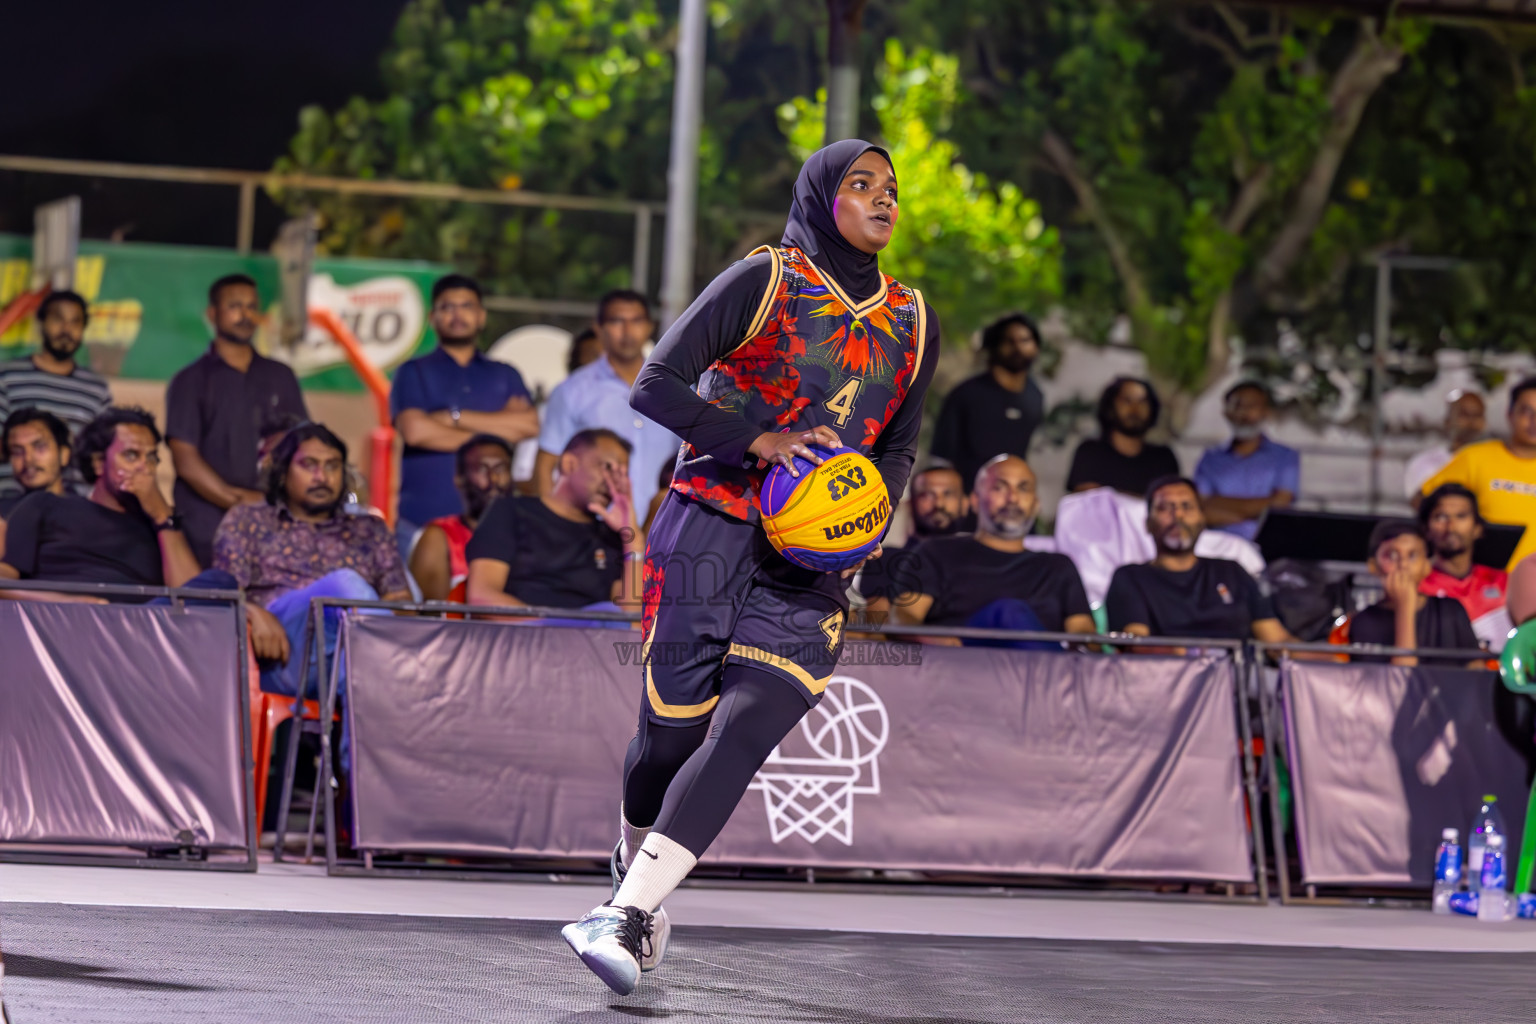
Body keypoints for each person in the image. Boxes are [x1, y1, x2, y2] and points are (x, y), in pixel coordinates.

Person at [560, 140, 938, 994]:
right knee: (670, 739)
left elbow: (901, 442)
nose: (884, 200)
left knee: (752, 721)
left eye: (892, 190)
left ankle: (624, 911)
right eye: (862, 185)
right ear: (821, 196)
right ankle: (633, 857)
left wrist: (873, 509)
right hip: (710, 527)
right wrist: (759, 440)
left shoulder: (914, 317)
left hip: (814, 563)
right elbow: (655, 384)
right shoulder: (767, 278)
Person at [213, 423, 409, 760]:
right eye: (309, 465)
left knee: (362, 655)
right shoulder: (248, 521)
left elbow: (400, 601)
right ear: (282, 473)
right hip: (278, 654)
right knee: (343, 586)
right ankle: (394, 713)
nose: (323, 476)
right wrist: (252, 611)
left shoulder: (369, 529)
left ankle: (361, 777)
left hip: (346, 657)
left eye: (332, 466)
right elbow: (220, 593)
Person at [165, 274, 309, 566]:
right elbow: (185, 460)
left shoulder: (280, 376)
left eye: (251, 306)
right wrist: (237, 500)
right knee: (209, 606)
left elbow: (305, 442)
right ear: (212, 314)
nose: (245, 315)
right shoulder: (189, 381)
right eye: (235, 306)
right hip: (207, 526)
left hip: (276, 523)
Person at [0, 407, 215, 600]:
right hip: (59, 626)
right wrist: (68, 604)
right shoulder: (46, 506)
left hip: (140, 631)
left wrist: (162, 517)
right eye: (131, 455)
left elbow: (191, 603)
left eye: (151, 458)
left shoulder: (165, 528)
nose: (144, 467)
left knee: (219, 581)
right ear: (99, 464)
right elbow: (4, 582)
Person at [390, 274, 539, 553]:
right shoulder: (412, 372)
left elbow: (529, 425)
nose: (457, 315)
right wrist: (497, 434)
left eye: (466, 306)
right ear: (432, 317)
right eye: (447, 307)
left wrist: (450, 418)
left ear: (481, 316)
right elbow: (415, 431)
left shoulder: (504, 374)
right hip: (420, 523)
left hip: (493, 525)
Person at [893, 455, 1094, 642]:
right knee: (1007, 612)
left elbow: (1084, 636)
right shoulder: (936, 552)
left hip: (1040, 670)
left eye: (1023, 488)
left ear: (1036, 504)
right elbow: (903, 617)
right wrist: (939, 643)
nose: (1013, 498)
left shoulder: (1059, 567)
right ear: (974, 500)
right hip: (960, 666)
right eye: (1000, 487)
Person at [466, 428, 642, 618]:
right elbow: (482, 597)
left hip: (591, 641)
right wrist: (552, 632)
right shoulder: (511, 511)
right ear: (569, 464)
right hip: (523, 638)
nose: (613, 482)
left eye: (622, 474)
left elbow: (630, 620)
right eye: (608, 468)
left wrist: (633, 539)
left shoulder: (611, 538)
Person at [536, 289, 680, 517]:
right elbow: (546, 465)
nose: (627, 331)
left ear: (649, 326)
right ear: (599, 328)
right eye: (616, 321)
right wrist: (550, 525)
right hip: (595, 526)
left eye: (636, 321)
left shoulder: (676, 387)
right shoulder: (572, 391)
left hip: (664, 524)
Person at [1106, 475, 1294, 646]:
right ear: (1147, 524)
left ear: (1202, 519)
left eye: (1186, 506)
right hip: (1166, 678)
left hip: (1235, 680)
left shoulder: (1231, 570)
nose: (1178, 515)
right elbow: (1138, 646)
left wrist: (1321, 656)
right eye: (1165, 508)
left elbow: (1276, 640)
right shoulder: (1131, 577)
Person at [0, 290, 112, 499]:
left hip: (74, 503)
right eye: (58, 319)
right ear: (41, 323)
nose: (66, 329)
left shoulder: (96, 389)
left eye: (75, 322)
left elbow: (101, 453)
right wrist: (38, 439)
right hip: (9, 500)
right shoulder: (7, 375)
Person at [1421, 377, 1536, 571]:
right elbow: (1426, 501)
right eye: (1527, 411)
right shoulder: (1475, 458)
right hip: (1483, 587)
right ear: (1510, 414)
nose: (1534, 420)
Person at [929, 312, 1045, 492]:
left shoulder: (1035, 396)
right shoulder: (966, 394)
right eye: (1009, 341)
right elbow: (941, 457)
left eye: (1025, 340)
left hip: (1009, 500)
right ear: (995, 346)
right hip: (968, 498)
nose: (1018, 348)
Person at [1337, 520, 1478, 667]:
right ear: (1373, 566)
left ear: (1426, 566)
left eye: (1412, 555)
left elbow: (1477, 674)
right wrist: (1405, 607)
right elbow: (1400, 680)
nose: (1403, 564)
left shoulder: (1452, 610)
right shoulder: (1364, 621)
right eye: (1392, 555)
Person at [856, 464, 969, 623]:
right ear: (910, 504)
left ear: (965, 504)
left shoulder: (977, 560)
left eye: (948, 494)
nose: (939, 504)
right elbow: (879, 626)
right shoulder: (886, 559)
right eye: (927, 495)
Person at [410, 434, 514, 603]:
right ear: (460, 480)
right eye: (481, 469)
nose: (493, 479)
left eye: (501, 469)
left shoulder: (530, 533)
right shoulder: (439, 537)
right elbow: (433, 618)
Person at [1193, 382, 1299, 541]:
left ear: (1266, 412)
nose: (1244, 412)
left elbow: (1280, 505)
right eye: (1237, 405)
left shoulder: (1285, 456)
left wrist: (1220, 506)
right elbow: (1200, 508)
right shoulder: (1210, 458)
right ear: (1225, 413)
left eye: (1252, 406)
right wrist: (1257, 511)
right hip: (1217, 546)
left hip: (1269, 548)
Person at [1418, 482, 1509, 651]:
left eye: (1461, 516)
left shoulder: (1505, 583)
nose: (1451, 526)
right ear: (1426, 529)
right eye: (1441, 517)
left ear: (1477, 528)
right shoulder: (1416, 586)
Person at [1066, 377, 1180, 497]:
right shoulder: (1090, 452)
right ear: (1110, 407)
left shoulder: (1164, 459)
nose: (1135, 409)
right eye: (1127, 400)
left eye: (1142, 402)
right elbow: (1086, 500)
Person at [0, 409, 73, 556]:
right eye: (17, 451)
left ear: (64, 454)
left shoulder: (87, 513)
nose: (28, 459)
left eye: (40, 447)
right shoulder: (2, 515)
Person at [1405, 390, 1485, 503]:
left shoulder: (1495, 462)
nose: (1471, 422)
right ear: (1447, 421)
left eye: (1477, 415)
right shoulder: (1424, 463)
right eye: (1464, 414)